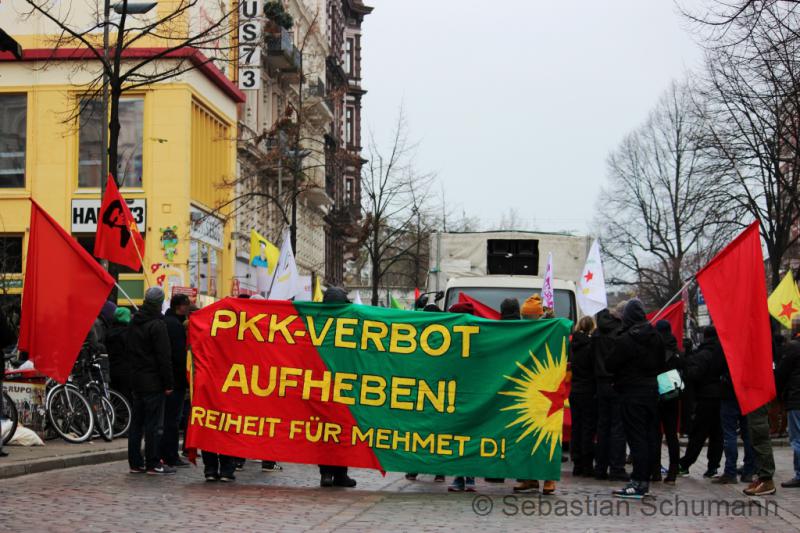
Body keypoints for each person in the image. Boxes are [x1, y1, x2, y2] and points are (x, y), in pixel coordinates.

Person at [606, 299, 664, 499]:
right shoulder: (655, 336)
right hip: (651, 391)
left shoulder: (626, 339)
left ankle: (638, 481)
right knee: (648, 437)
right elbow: (661, 361)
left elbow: (610, 363)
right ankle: (644, 479)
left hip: (631, 392)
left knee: (636, 438)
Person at [127, 287, 175, 475]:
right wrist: (169, 383)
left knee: (136, 424)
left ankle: (134, 463)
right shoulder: (157, 325)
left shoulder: (133, 322)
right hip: (153, 381)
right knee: (153, 425)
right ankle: (153, 462)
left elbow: (128, 350)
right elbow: (164, 357)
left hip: (136, 379)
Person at [513, 294, 556, 495]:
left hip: (548, 392)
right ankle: (529, 478)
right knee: (526, 437)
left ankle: (548, 479)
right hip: (526, 391)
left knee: (546, 437)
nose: (524, 320)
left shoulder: (553, 331)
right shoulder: (524, 331)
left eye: (527, 317)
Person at [318, 287, 358, 488]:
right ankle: (340, 474)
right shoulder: (351, 322)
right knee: (342, 432)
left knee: (324, 433)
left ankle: (326, 474)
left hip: (319, 386)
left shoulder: (315, 321)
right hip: (343, 387)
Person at [406, 302, 446, 484]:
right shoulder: (445, 336)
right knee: (437, 434)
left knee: (419, 433)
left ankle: (414, 468)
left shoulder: (416, 336)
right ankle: (439, 471)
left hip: (421, 394)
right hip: (440, 394)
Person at [678, 326, 724, 478]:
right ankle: (713, 466)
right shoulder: (723, 352)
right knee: (717, 434)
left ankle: (685, 464)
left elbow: (693, 374)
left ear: (705, 337)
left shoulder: (703, 354)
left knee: (698, 433)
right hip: (720, 397)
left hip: (705, 397)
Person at [592, 308, 628, 481]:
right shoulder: (619, 332)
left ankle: (600, 467)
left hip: (600, 383)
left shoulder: (596, 334)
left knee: (602, 427)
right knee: (617, 428)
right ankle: (616, 467)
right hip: (616, 382)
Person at [714, 351, 755, 485]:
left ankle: (730, 472)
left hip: (729, 392)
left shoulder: (727, 344)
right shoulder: (750, 343)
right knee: (748, 433)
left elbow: (717, 366)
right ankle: (749, 471)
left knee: (730, 434)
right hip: (747, 391)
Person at [160, 293, 191, 468]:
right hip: (175, 381)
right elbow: (178, 356)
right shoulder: (175, 326)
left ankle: (163, 454)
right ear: (180, 306)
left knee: (165, 420)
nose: (188, 308)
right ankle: (171, 455)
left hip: (165, 379)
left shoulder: (166, 321)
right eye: (187, 305)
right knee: (172, 420)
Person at [652, 320, 682, 484]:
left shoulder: (654, 348)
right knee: (672, 435)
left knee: (655, 434)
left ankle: (655, 471)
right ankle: (673, 471)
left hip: (656, 394)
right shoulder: (676, 350)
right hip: (672, 395)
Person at [570, 316, 596, 478]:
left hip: (575, 389)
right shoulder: (591, 346)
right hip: (588, 390)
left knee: (576, 427)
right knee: (588, 428)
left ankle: (576, 463)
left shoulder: (572, 345)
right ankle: (587, 464)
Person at [777, 321, 800, 488]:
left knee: (797, 438)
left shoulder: (793, 347)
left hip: (797, 399)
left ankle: (799, 474)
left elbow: (781, 372)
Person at [106, 307, 132, 403]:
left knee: (115, 395)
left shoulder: (108, 332)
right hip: (126, 369)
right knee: (126, 395)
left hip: (112, 367)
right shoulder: (128, 333)